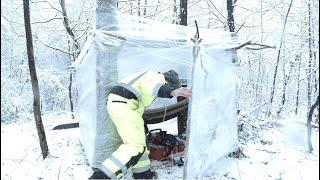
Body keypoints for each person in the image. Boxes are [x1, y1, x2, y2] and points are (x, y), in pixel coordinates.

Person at [89, 70, 191, 179]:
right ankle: (100, 177)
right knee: (134, 146)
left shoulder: (145, 75)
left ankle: (143, 173)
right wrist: (172, 91)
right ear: (168, 82)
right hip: (124, 104)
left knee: (140, 141)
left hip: (123, 104)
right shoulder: (156, 77)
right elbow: (150, 87)